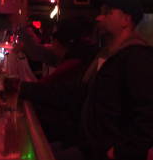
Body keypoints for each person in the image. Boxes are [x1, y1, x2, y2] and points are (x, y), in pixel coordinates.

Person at [57, 0, 153, 160]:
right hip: (89, 150)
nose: (99, 17)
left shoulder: (137, 57)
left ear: (125, 19)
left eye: (107, 12)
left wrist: (119, 151)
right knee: (39, 155)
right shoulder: (109, 55)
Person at [19, 17, 97, 145]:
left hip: (68, 139)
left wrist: (19, 87)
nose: (51, 44)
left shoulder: (75, 63)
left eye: (53, 40)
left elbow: (54, 92)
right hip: (73, 135)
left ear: (59, 43)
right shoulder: (80, 57)